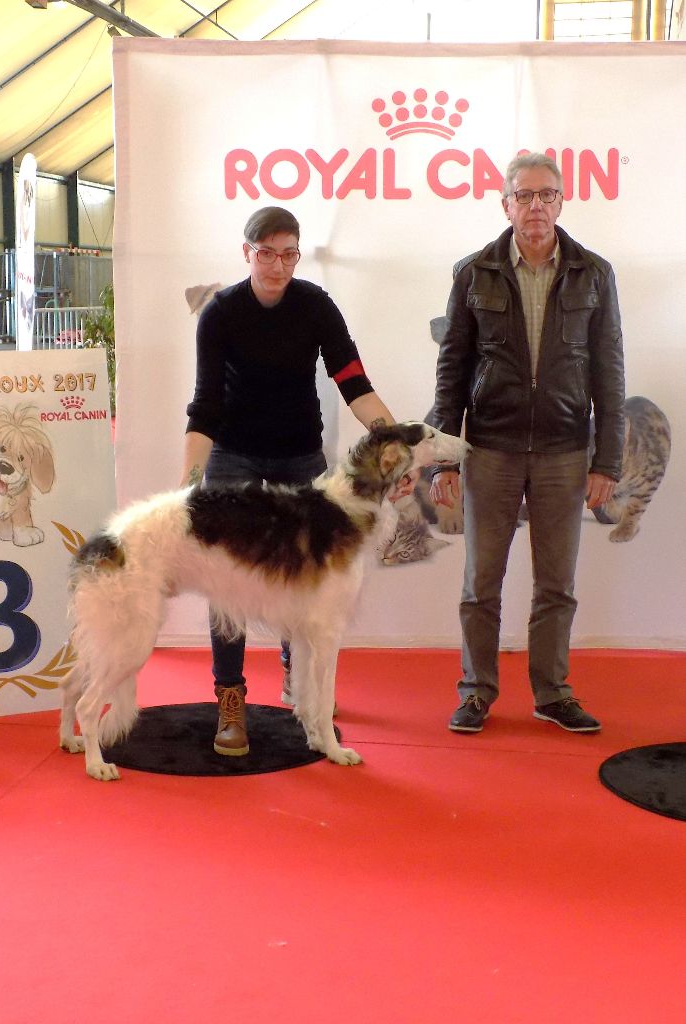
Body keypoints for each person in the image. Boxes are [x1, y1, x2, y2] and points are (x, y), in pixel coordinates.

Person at [181, 206, 401, 757]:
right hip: (232, 456)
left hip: (300, 456)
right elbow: (205, 405)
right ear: (246, 253)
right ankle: (230, 700)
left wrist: (393, 442)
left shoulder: (315, 305)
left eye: (288, 254)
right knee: (225, 581)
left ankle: (299, 684)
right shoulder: (221, 313)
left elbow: (352, 380)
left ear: (298, 255)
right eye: (266, 254)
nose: (278, 266)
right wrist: (188, 484)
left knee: (303, 581)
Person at [429, 152, 625, 734]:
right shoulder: (474, 272)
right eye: (525, 195)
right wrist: (444, 455)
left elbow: (609, 369)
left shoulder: (594, 272)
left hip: (567, 450)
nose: (536, 206)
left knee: (556, 584)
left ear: (561, 203)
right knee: (479, 584)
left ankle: (552, 692)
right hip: (490, 447)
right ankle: (475, 691)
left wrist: (607, 457)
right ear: (506, 203)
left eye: (547, 195)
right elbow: (453, 368)